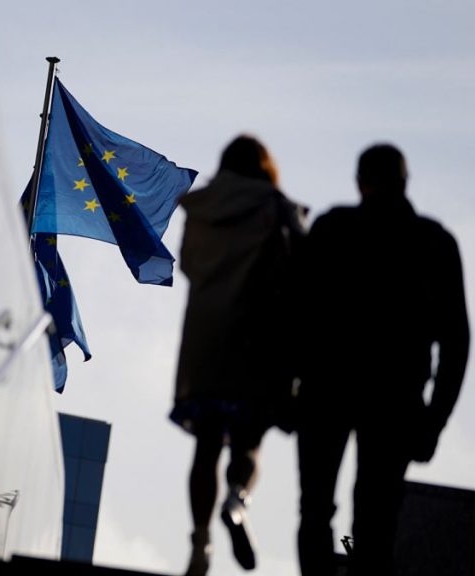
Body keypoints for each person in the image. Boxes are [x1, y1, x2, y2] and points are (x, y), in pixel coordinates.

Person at [296, 143, 469, 575]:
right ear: (405, 183)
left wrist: (287, 388)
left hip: (326, 389)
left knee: (316, 510)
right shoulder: (435, 242)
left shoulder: (332, 229)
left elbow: (296, 314)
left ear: (360, 182)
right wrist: (435, 419)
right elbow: (456, 343)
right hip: (396, 399)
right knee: (376, 524)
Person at [171, 135, 306, 576]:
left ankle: (199, 542)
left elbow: (188, 264)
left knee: (206, 445)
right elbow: (300, 266)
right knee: (248, 440)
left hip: (206, 338)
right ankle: (237, 500)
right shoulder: (275, 206)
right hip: (257, 339)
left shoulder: (202, 207)